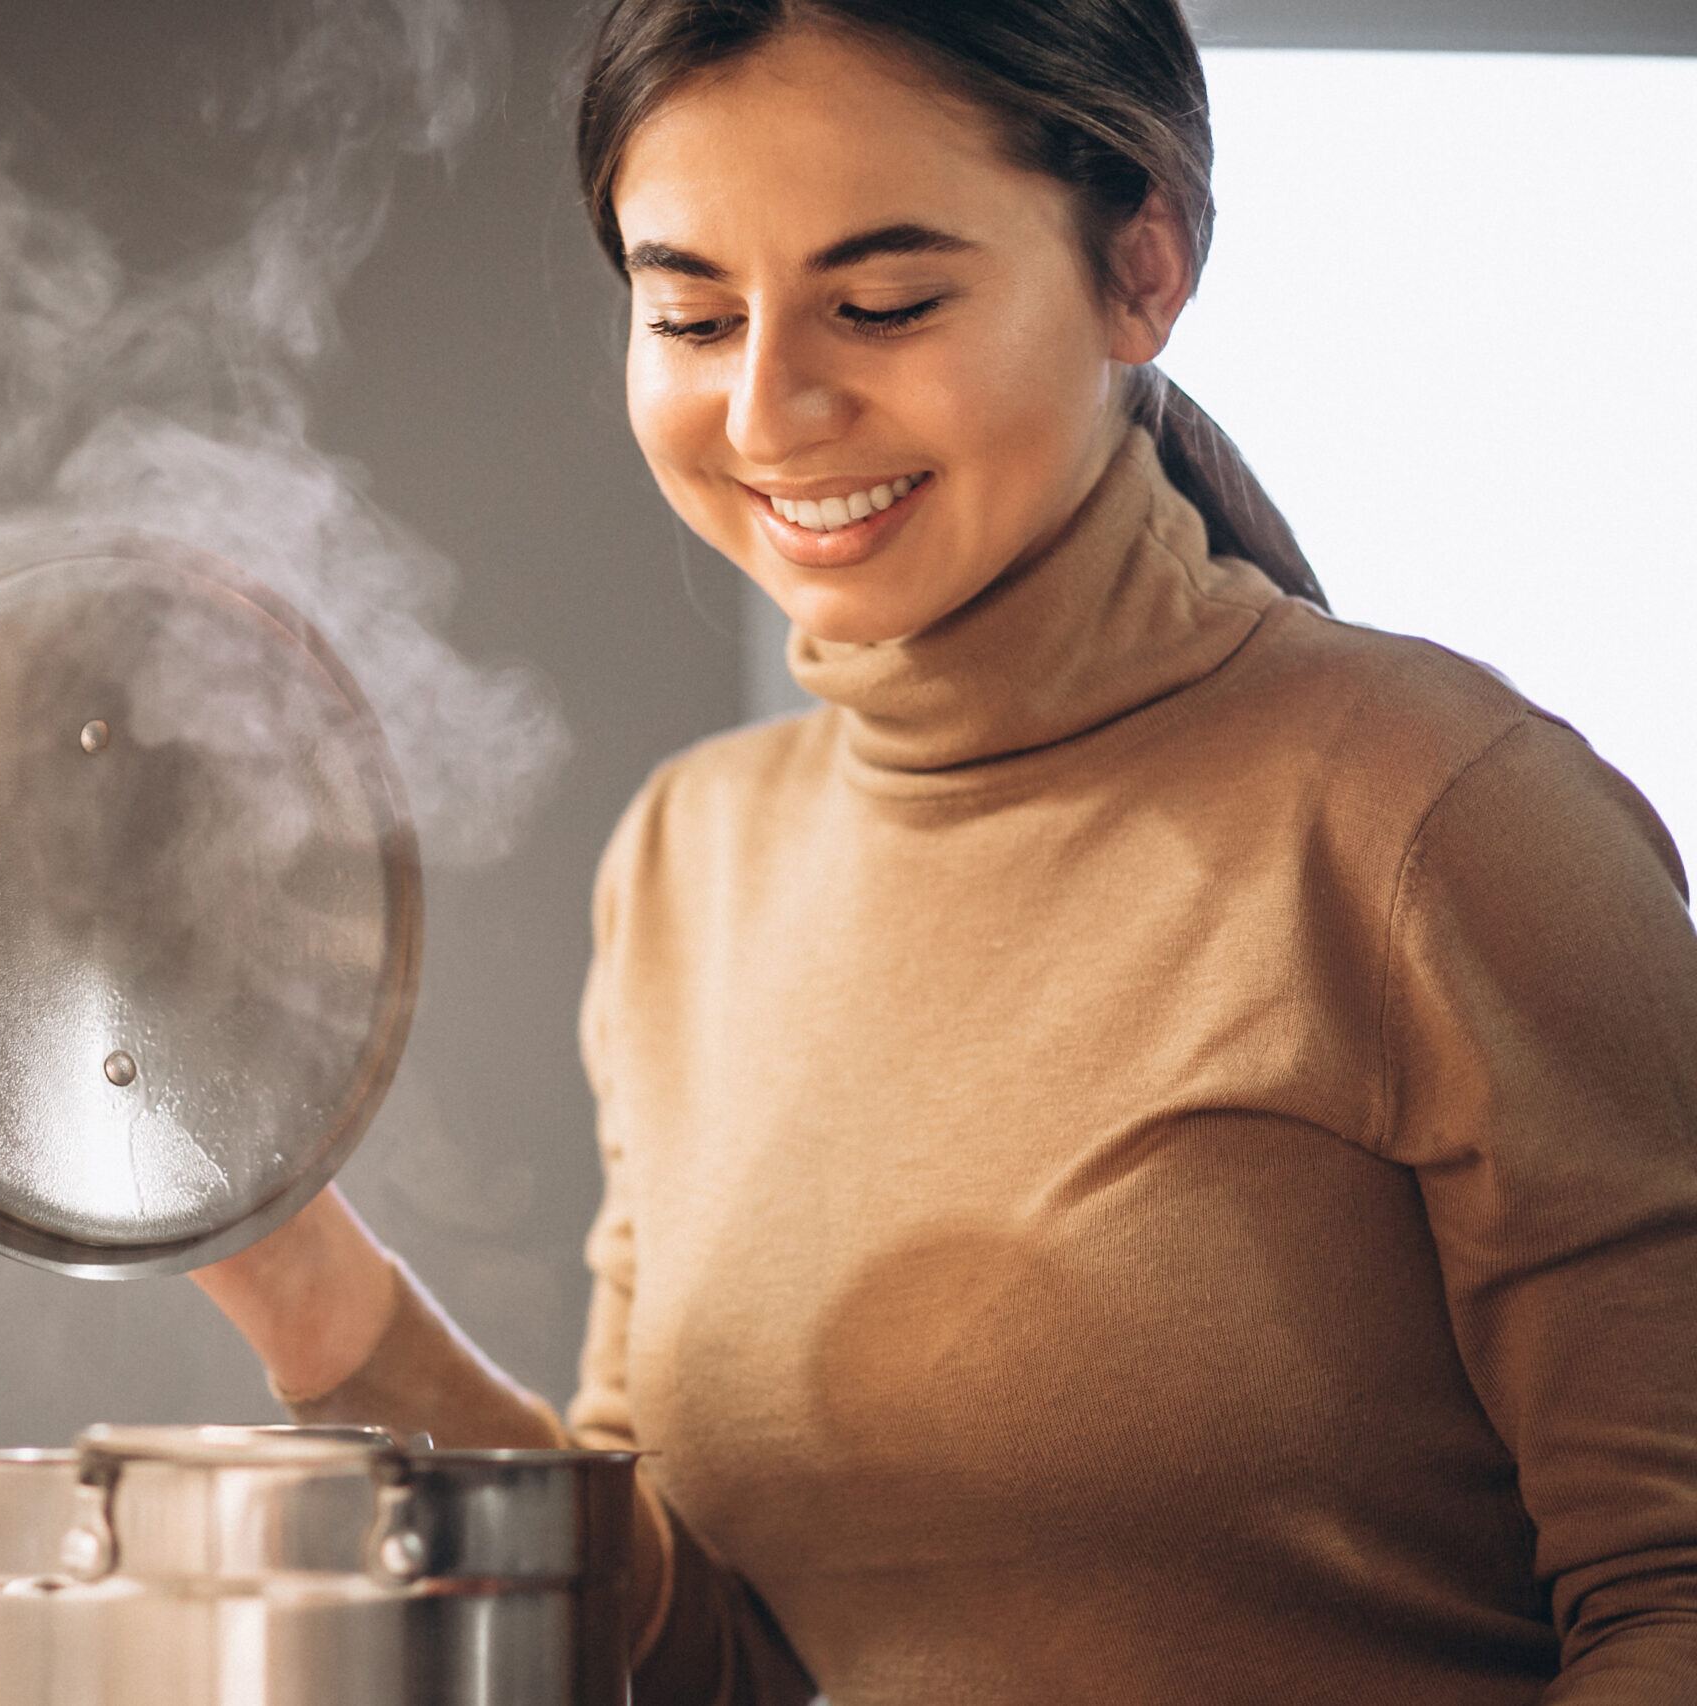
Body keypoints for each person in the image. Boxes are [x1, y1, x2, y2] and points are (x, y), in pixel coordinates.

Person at [197, 1, 1697, 1699]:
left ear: (1145, 261)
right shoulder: (693, 862)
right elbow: (699, 1660)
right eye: (690, 313)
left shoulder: (1443, 816)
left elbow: (1673, 1595)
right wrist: (290, 1264)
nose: (769, 410)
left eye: (884, 304)